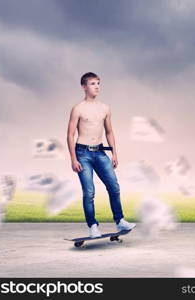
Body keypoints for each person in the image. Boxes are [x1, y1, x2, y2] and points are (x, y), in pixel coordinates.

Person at [67, 72, 136, 237]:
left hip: (100, 152)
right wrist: (73, 159)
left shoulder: (105, 108)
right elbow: (70, 135)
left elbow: (110, 132)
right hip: (82, 153)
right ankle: (93, 227)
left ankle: (120, 221)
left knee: (114, 187)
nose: (96, 86)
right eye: (92, 83)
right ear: (84, 87)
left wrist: (114, 153)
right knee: (89, 192)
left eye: (98, 83)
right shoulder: (78, 109)